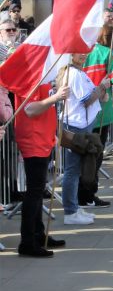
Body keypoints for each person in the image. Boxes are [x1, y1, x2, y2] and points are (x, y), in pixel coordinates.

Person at [12, 83, 68, 257]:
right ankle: (27, 242)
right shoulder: (31, 77)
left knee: (37, 190)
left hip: (42, 138)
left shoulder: (41, 76)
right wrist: (56, 97)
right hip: (33, 139)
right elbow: (30, 109)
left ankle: (38, 235)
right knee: (34, 191)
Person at [58, 53, 110, 225]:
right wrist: (102, 87)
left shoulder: (79, 72)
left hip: (83, 124)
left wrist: (101, 92)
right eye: (78, 52)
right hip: (77, 126)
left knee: (76, 169)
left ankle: (74, 208)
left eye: (85, 52)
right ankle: (70, 212)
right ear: (70, 55)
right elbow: (86, 100)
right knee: (72, 171)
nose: (83, 55)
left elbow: (91, 97)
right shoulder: (73, 73)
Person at [80, 25, 113, 208]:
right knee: (95, 157)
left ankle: (82, 195)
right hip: (101, 112)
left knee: (81, 156)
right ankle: (88, 195)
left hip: (79, 114)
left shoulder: (75, 54)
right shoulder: (106, 53)